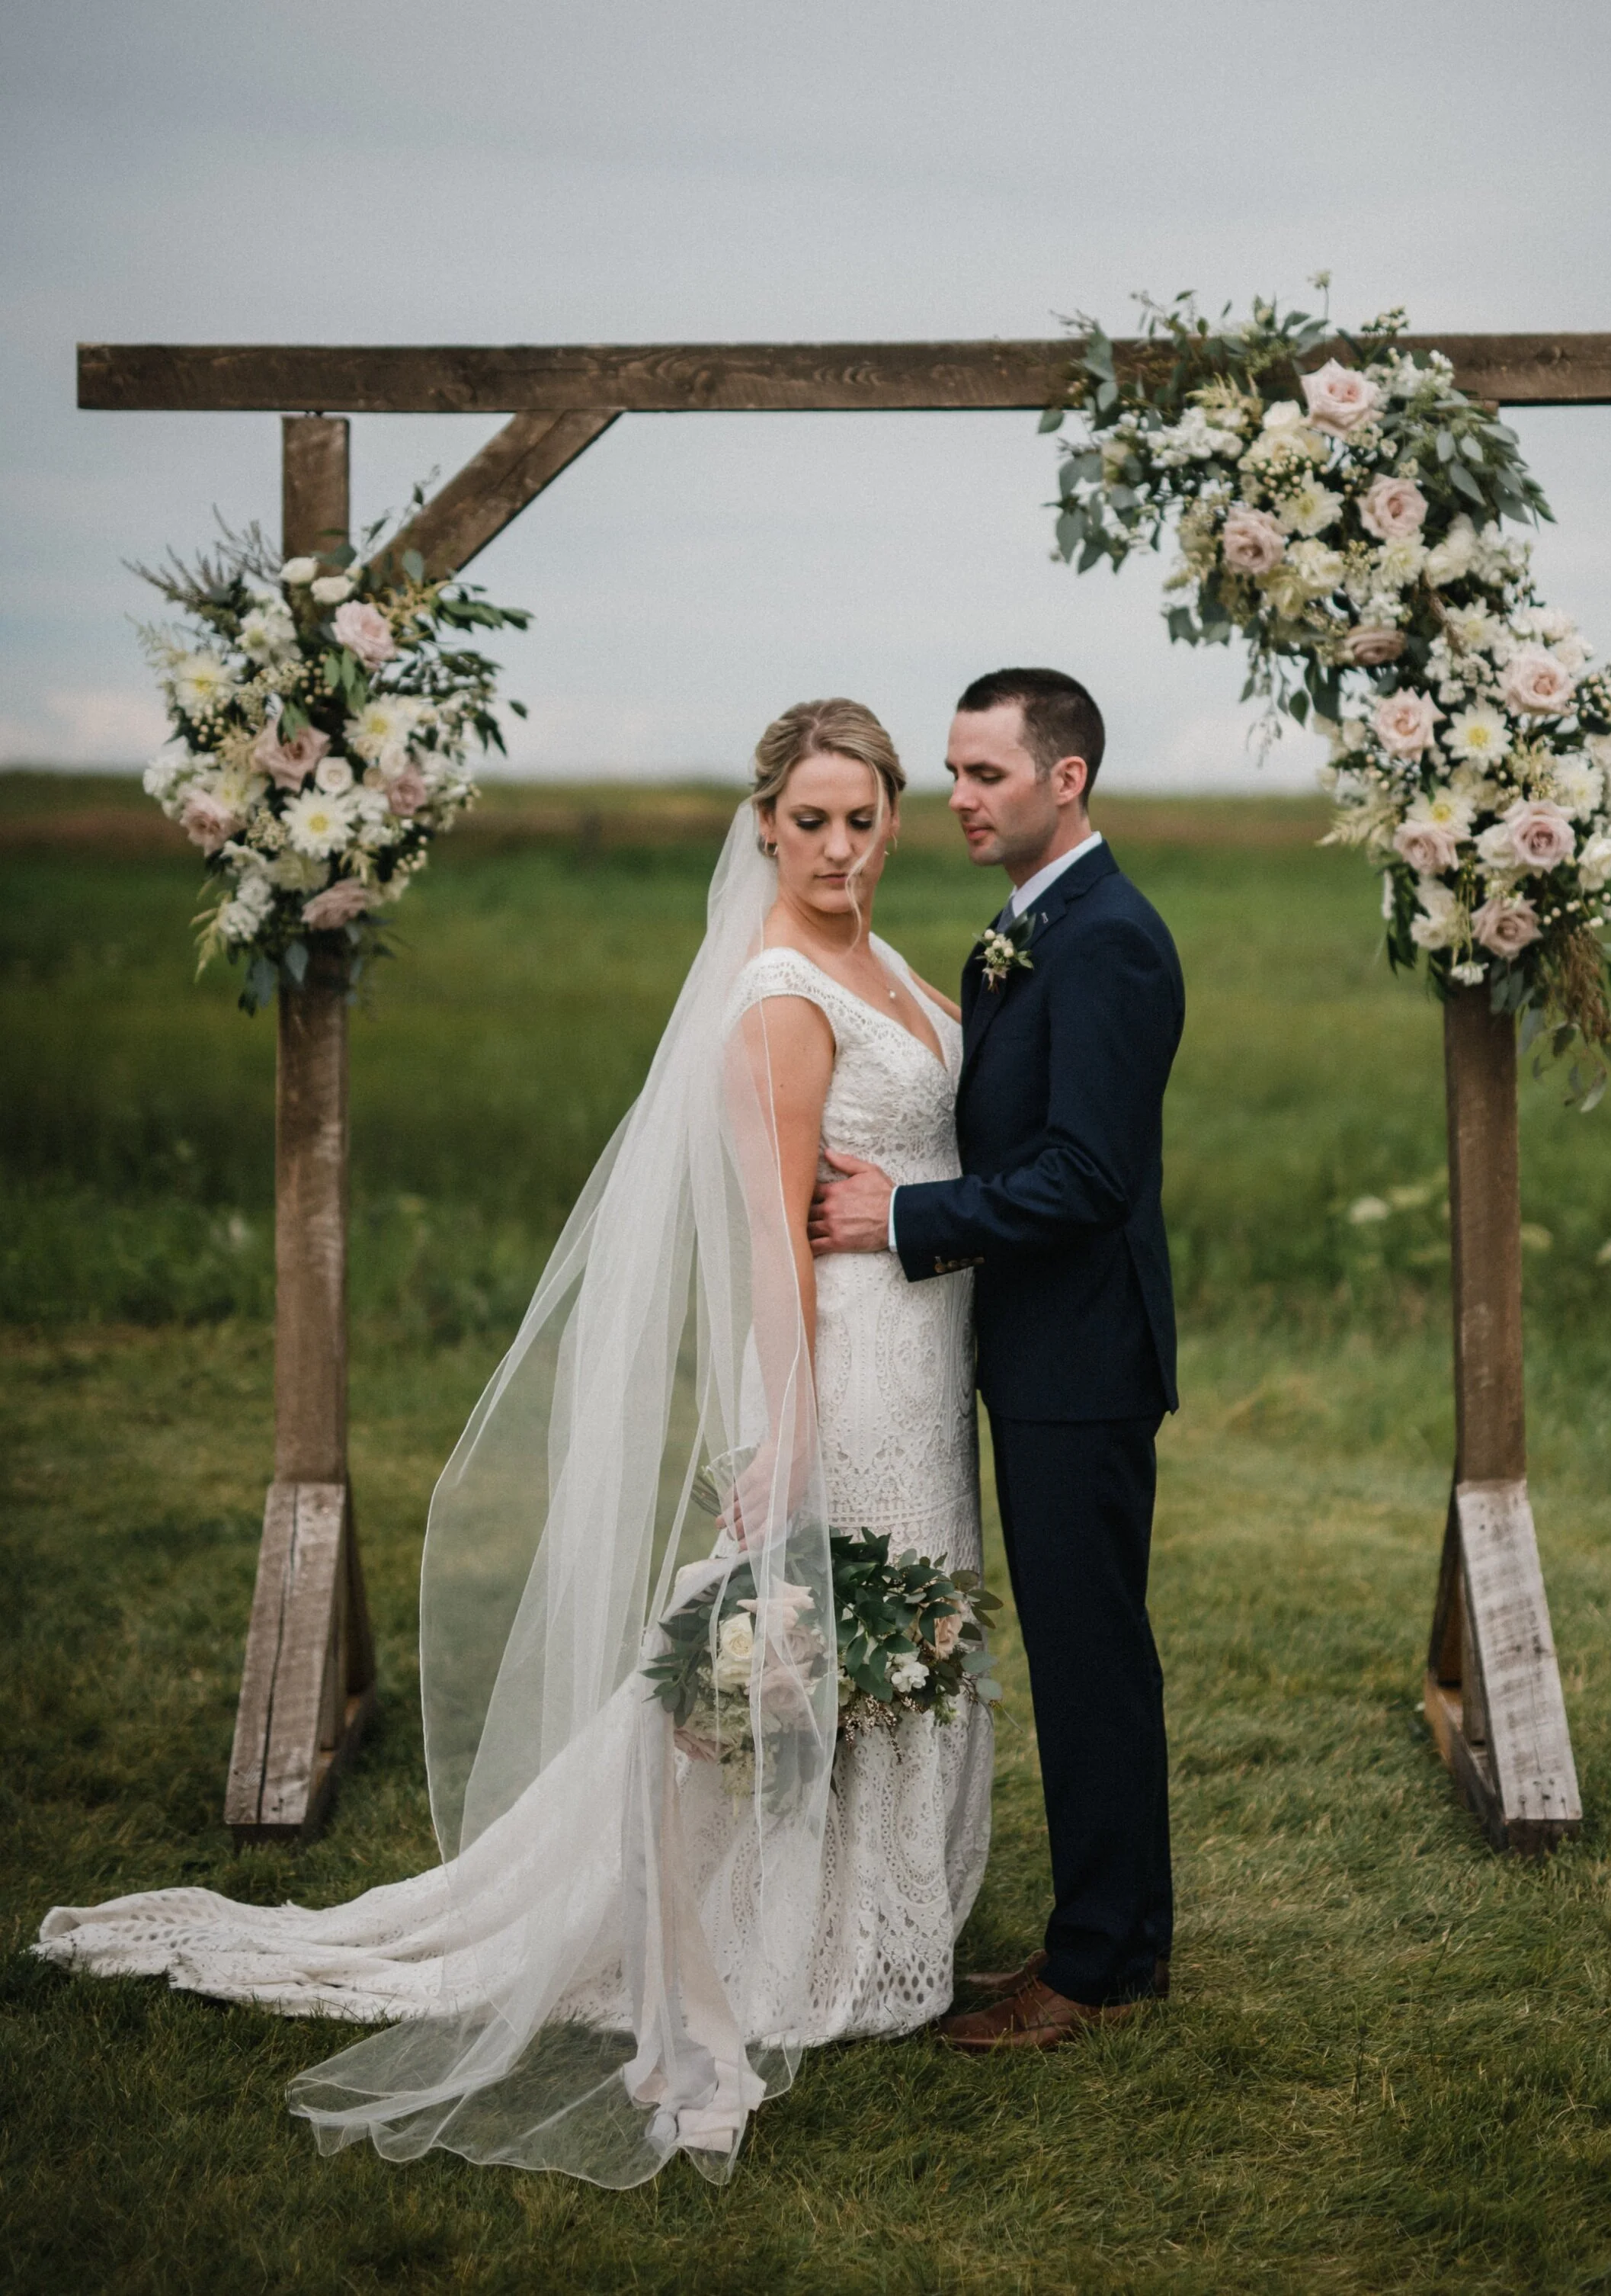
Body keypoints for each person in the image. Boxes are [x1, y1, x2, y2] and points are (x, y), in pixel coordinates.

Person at [37, 699, 992, 2189]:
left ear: (890, 821)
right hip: (847, 1374)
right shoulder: (780, 996)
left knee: (893, 1628)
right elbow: (767, 1241)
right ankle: (748, 1941)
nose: (837, 846)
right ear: (763, 828)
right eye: (808, 821)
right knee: (800, 1641)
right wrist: (793, 1428)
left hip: (928, 1369)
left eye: (862, 819)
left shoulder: (883, 959)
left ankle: (879, 1923)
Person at [811, 667, 1183, 2052]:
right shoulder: (1026, 930)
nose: (957, 799)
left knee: (1092, 1660)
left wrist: (903, 1216)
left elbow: (1085, 1175)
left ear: (1064, 778)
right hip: (1025, 1350)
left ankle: (1098, 1966)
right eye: (955, 776)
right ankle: (1104, 1938)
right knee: (1082, 1652)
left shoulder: (1108, 941)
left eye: (986, 775)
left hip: (1082, 1358)